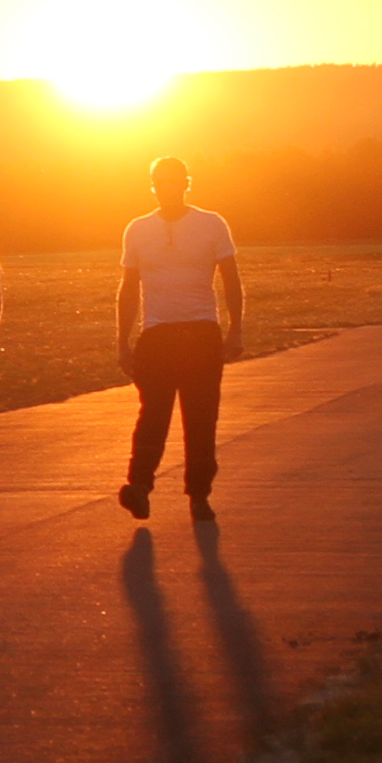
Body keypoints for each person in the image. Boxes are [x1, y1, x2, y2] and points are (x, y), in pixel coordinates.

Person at [113, 155, 245, 521]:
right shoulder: (138, 229)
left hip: (201, 334)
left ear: (186, 183)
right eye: (161, 181)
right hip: (157, 335)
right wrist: (122, 341)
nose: (168, 187)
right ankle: (138, 486)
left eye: (175, 180)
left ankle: (199, 495)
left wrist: (235, 329)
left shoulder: (211, 224)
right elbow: (128, 288)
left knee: (201, 420)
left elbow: (231, 279)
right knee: (152, 415)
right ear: (152, 185)